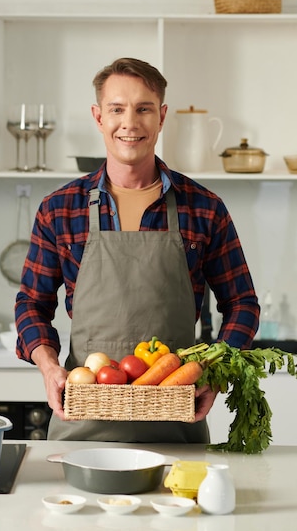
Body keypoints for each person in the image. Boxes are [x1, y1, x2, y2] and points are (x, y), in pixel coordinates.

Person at [15, 57, 260, 442]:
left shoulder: (204, 208)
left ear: (161, 117)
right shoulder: (59, 209)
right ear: (98, 117)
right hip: (83, 424)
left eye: (143, 109)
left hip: (178, 422)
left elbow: (243, 303)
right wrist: (49, 368)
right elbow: (31, 303)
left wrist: (215, 371)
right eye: (117, 109)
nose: (129, 122)